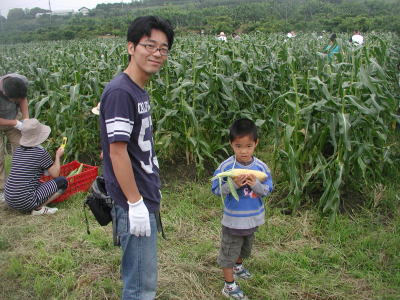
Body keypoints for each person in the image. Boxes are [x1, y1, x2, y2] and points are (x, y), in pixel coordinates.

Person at [98, 16, 174, 300]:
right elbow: (116, 152)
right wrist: (135, 203)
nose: (157, 53)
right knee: (140, 287)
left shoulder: (136, 89)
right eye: (149, 45)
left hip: (142, 194)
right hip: (135, 201)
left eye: (163, 48)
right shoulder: (121, 91)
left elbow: (112, 147)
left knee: (141, 277)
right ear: (131, 47)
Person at [211, 118, 273, 300]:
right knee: (229, 252)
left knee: (244, 249)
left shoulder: (261, 167)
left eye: (248, 146)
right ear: (231, 145)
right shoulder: (225, 168)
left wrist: (256, 185)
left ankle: (238, 267)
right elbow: (216, 190)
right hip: (233, 221)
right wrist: (233, 185)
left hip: (252, 220)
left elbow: (268, 190)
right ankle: (229, 285)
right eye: (238, 146)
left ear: (256, 144)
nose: (244, 151)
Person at [4, 118, 68, 215]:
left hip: (9, 198)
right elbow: (55, 174)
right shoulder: (40, 152)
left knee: (39, 183)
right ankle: (38, 208)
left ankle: (29, 203)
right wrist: (58, 156)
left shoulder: (17, 150)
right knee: (63, 182)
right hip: (24, 201)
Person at [0, 73, 30, 201]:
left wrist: (26, 120)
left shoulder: (20, 81)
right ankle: (2, 189)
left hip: (12, 117)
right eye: (14, 100)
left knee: (23, 147)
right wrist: (16, 123)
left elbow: (23, 99)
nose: (17, 101)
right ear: (6, 94)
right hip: (6, 120)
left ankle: (22, 182)